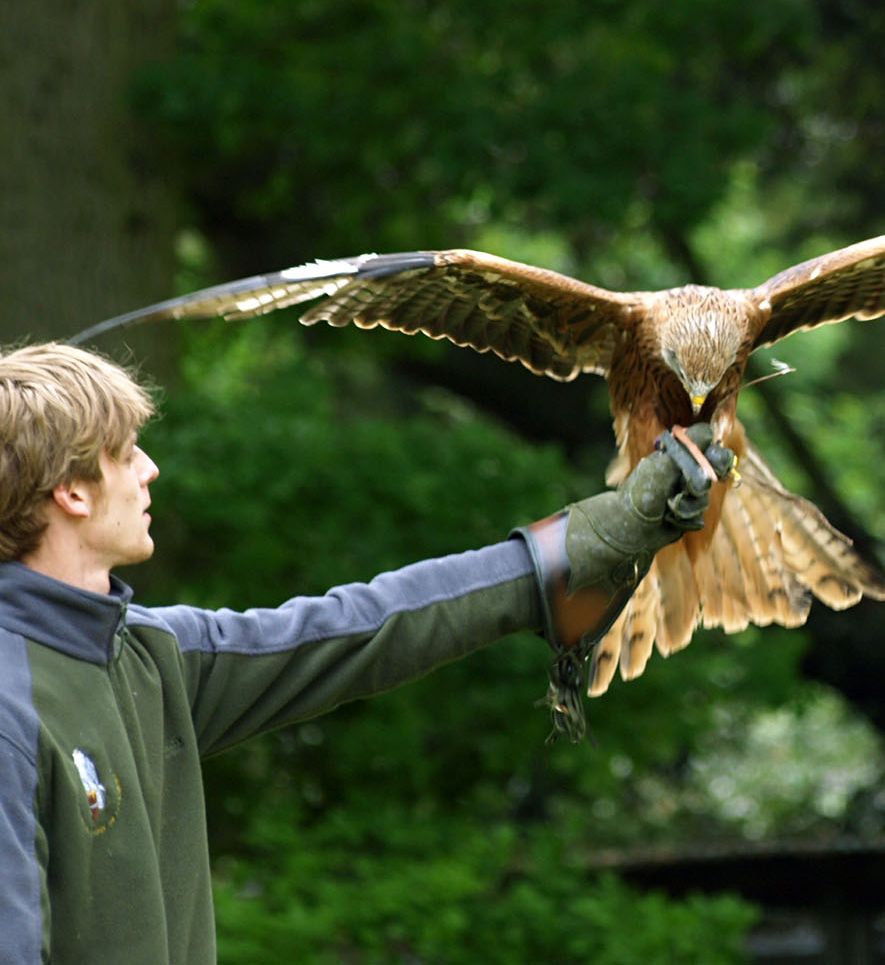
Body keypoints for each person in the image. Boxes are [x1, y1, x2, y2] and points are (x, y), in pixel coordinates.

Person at [0, 341, 730, 965]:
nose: (150, 469)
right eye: (126, 454)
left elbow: (360, 629)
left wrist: (579, 547)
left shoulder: (147, 655)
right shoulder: (10, 709)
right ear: (70, 490)